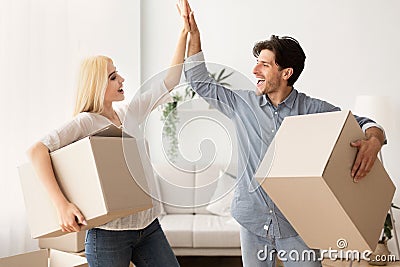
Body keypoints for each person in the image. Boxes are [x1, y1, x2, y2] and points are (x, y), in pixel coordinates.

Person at [179, 1, 386, 266]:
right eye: (257, 63)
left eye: (264, 65)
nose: (255, 71)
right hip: (252, 219)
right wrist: (194, 36)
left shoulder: (313, 109)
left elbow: (365, 122)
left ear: (286, 73)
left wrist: (374, 140)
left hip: (297, 223)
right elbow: (198, 81)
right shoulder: (242, 104)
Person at [26, 2, 192, 266]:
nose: (122, 80)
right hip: (108, 235)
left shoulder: (129, 113)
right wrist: (62, 205)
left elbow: (168, 83)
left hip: (148, 226)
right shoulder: (85, 122)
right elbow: (37, 151)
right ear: (97, 85)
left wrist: (184, 32)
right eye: (113, 77)